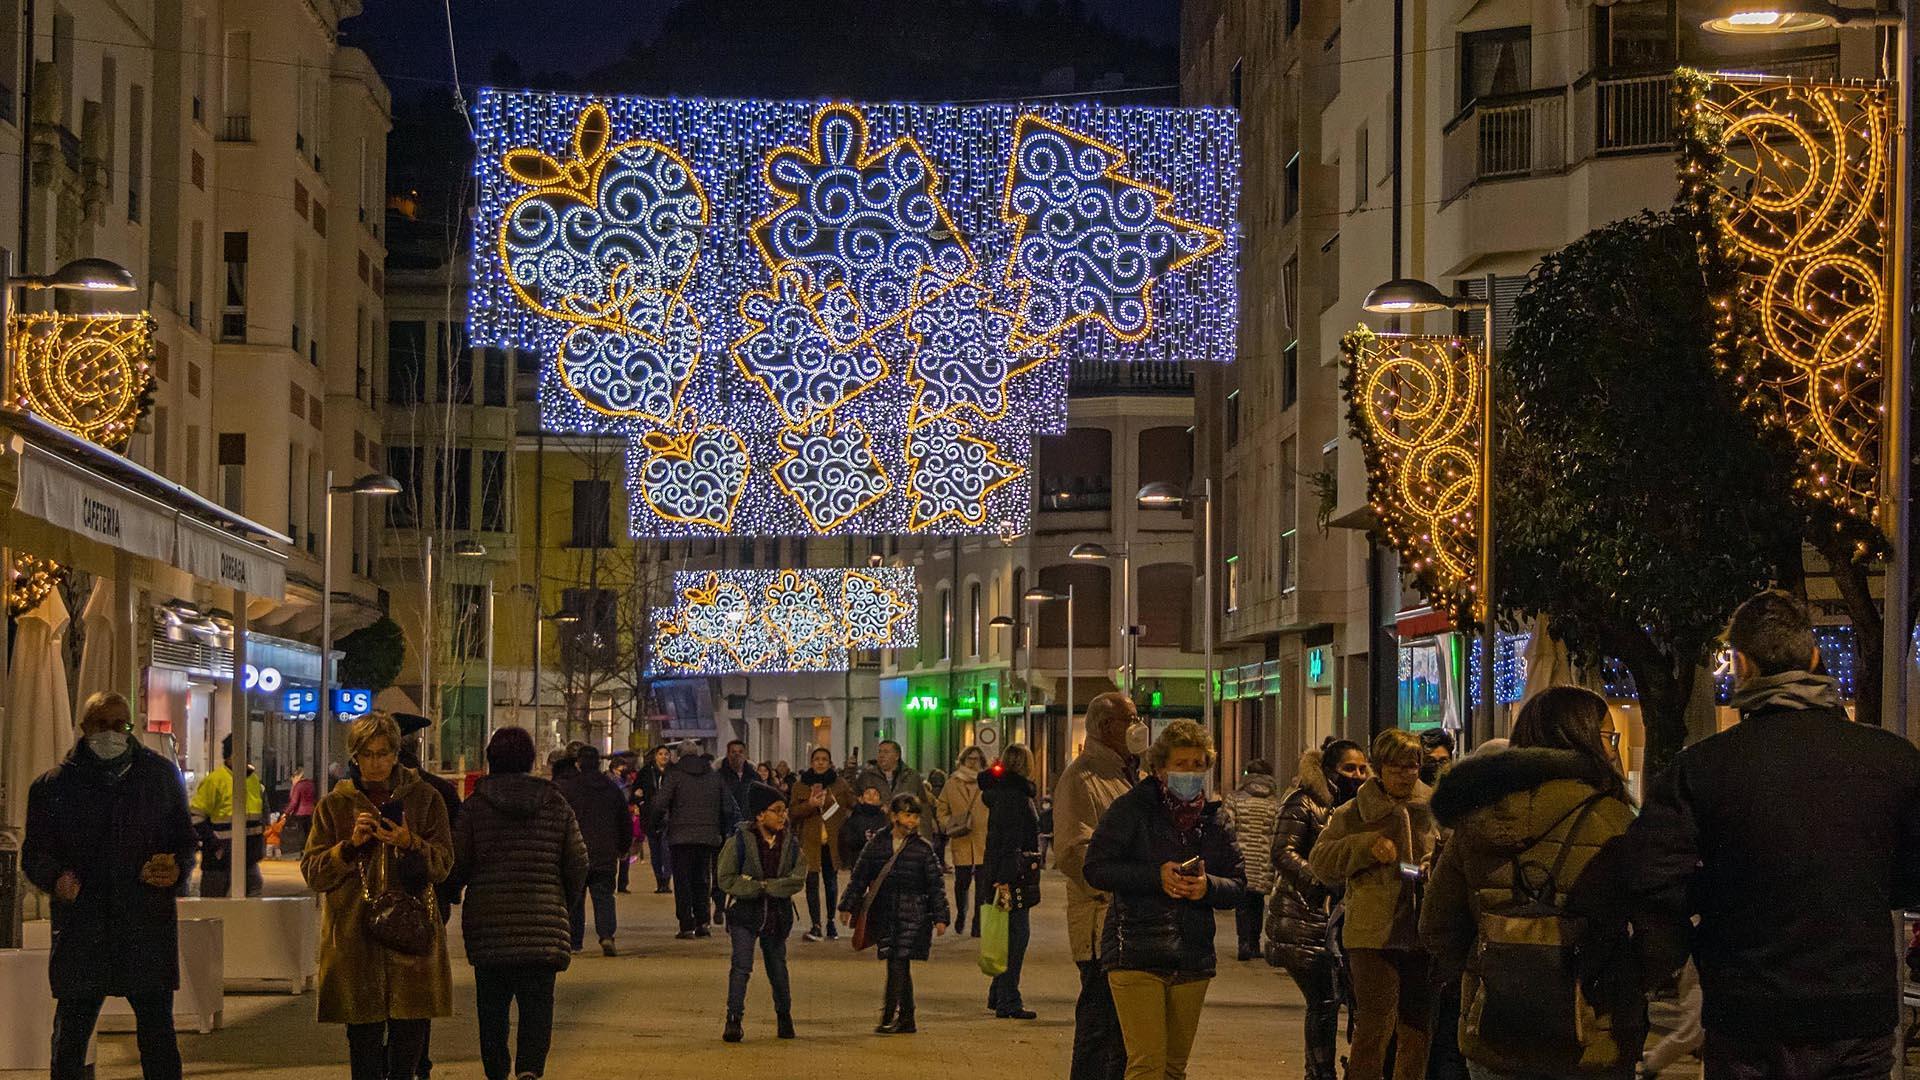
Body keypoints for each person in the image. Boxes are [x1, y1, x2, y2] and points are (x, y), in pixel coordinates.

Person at [1626, 590, 1920, 1079]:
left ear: (1741, 665)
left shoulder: (1702, 768)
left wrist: (1706, 910)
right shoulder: (1892, 760)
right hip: (1856, 1008)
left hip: (1747, 1009)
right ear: (1814, 657)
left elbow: (1649, 873)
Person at [1422, 686, 1642, 1080]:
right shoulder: (1614, 821)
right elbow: (1655, 929)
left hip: (1494, 1033)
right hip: (1593, 1035)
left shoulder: (1476, 819)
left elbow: (1436, 927)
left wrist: (1487, 971)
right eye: (1608, 738)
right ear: (1584, 740)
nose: (1612, 750)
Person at [25, 691, 197, 1080]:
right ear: (84, 729)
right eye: (102, 724)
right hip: (83, 929)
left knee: (157, 1035)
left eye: (120, 724)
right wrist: (56, 878)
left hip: (145, 925)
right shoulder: (54, 785)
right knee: (71, 1035)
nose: (112, 733)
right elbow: (34, 854)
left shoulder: (158, 776)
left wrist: (176, 869)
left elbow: (184, 842)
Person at [1083, 719, 1246, 1080]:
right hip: (1136, 951)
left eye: (1198, 765)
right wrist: (1156, 876)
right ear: (1159, 768)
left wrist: (1208, 887)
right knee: (1147, 1064)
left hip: (1192, 955)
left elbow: (1238, 884)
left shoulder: (1215, 819)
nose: (1191, 773)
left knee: (1174, 1068)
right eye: (1181, 764)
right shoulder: (1132, 810)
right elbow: (1096, 868)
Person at [302, 712, 454, 1080]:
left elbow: (444, 864)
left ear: (396, 753)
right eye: (366, 754)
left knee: (408, 1046)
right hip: (355, 937)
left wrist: (410, 842)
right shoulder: (334, 805)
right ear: (354, 756)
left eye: (383, 753)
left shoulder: (425, 799)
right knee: (364, 1045)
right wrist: (349, 848)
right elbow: (313, 872)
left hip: (411, 935)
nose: (375, 762)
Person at [448, 727, 588, 1080]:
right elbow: (577, 862)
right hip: (543, 925)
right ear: (530, 760)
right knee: (537, 1009)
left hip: (489, 927)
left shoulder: (475, 806)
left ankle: (496, 1072)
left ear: (490, 759)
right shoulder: (555, 802)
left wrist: (455, 893)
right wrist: (562, 905)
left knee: (491, 1012)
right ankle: (530, 1072)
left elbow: (457, 862)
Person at [1310, 728, 1439, 1080]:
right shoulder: (1353, 813)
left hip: (1421, 931)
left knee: (1417, 1029)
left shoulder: (1433, 808)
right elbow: (1321, 862)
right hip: (1372, 934)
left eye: (1412, 767)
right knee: (1376, 1024)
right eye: (1397, 768)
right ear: (1379, 768)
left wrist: (1433, 866)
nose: (1406, 775)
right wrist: (1365, 847)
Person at [1055, 691, 1145, 1080]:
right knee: (1099, 1026)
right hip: (1099, 925)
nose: (1138, 727)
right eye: (1131, 718)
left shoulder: (1132, 775)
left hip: (1128, 924)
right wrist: (1125, 878)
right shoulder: (1082, 777)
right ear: (1108, 726)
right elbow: (1074, 854)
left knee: (1123, 1034)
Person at [1269, 739, 1368, 1080]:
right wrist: (1321, 880)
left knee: (1342, 1001)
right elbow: (1283, 851)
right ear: (1329, 770)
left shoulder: (1359, 809)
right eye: (1348, 769)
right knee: (1324, 1000)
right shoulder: (1304, 803)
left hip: (1340, 919)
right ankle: (1319, 1071)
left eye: (1362, 768)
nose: (1357, 775)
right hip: (1303, 919)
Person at [839, 793, 950, 1034]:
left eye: (915, 816)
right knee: (898, 963)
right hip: (885, 913)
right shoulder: (877, 845)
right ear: (894, 816)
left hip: (914, 914)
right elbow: (860, 877)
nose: (912, 821)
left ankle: (889, 1016)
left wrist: (941, 917)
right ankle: (907, 1018)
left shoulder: (923, 850)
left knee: (897, 963)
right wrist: (847, 905)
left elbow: (935, 885)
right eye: (907, 815)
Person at [717, 781, 807, 1042]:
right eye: (776, 810)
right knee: (741, 967)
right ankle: (734, 1019)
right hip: (745, 915)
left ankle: (784, 1016)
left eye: (784, 811)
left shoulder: (790, 844)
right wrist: (755, 889)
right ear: (759, 815)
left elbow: (797, 878)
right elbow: (725, 878)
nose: (783, 816)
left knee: (778, 967)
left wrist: (768, 886)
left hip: (777, 916)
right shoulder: (739, 843)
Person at [980, 744, 1044, 1019]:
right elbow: (1008, 841)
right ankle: (1009, 999)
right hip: (1012, 877)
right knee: (1016, 937)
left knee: (1009, 935)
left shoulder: (1002, 793)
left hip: (1005, 872)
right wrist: (1005, 878)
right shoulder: (1015, 796)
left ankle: (998, 993)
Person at [556, 744, 630, 956]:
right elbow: (623, 820)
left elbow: (561, 819)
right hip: (605, 852)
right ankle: (606, 935)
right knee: (604, 896)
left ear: (579, 764)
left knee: (576, 897)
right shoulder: (611, 788)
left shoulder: (569, 788)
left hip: (576, 851)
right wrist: (623, 846)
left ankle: (575, 941)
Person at [655, 738, 728, 938]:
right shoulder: (713, 776)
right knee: (702, 878)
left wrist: (656, 823)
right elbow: (725, 805)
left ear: (678, 755)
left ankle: (686, 924)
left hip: (680, 836)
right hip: (707, 835)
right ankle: (703, 921)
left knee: (683, 880)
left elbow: (661, 803)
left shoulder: (674, 775)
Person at [790, 745, 854, 942]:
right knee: (811, 882)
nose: (820, 762)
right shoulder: (800, 786)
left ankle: (830, 921)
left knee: (831, 882)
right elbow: (792, 813)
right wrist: (809, 805)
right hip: (809, 842)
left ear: (829, 763)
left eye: (824, 759)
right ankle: (816, 924)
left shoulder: (839, 785)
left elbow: (852, 805)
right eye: (817, 759)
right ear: (811, 763)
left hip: (832, 842)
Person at [190, 731, 266, 896]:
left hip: (248, 858)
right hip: (219, 861)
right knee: (212, 905)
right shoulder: (215, 781)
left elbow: (259, 815)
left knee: (253, 897)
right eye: (243, 752)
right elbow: (195, 816)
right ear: (230, 755)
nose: (246, 757)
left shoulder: (253, 780)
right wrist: (214, 844)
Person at [1221, 757, 1282, 961]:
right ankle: (1255, 943)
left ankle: (1243, 943)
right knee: (1257, 903)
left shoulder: (1235, 799)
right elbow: (1277, 832)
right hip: (1264, 859)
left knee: (1242, 903)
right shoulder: (1275, 802)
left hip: (1242, 857)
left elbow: (1227, 827)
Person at [937, 745, 990, 935]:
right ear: (963, 760)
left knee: (983, 885)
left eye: (977, 759)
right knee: (962, 883)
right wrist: (948, 824)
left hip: (983, 838)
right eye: (970, 759)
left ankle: (978, 922)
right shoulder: (952, 783)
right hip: (961, 838)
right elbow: (941, 807)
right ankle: (962, 913)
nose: (973, 762)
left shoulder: (988, 782)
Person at [858, 739, 930, 839]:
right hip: (878, 833)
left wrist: (925, 835)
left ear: (897, 756)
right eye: (879, 751)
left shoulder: (912, 777)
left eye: (886, 752)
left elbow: (923, 806)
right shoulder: (867, 777)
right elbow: (856, 802)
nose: (881, 755)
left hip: (906, 832)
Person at [634, 745, 674, 893]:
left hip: (668, 816)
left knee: (666, 849)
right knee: (655, 850)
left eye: (666, 754)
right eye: (661, 754)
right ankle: (659, 880)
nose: (664, 757)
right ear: (656, 756)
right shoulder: (646, 772)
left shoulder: (674, 772)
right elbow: (635, 792)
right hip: (650, 816)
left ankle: (666, 880)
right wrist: (641, 800)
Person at [840, 781, 891, 870]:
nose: (871, 797)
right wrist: (863, 837)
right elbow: (847, 840)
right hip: (858, 862)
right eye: (868, 793)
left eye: (875, 794)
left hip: (880, 863)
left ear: (880, 800)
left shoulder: (885, 819)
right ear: (861, 798)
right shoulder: (854, 817)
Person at [285, 767, 318, 856]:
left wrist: (286, 812)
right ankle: (310, 851)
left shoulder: (298, 786)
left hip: (300, 813)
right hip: (311, 812)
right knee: (309, 833)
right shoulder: (311, 784)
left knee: (301, 834)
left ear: (295, 777)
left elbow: (294, 802)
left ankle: (303, 853)